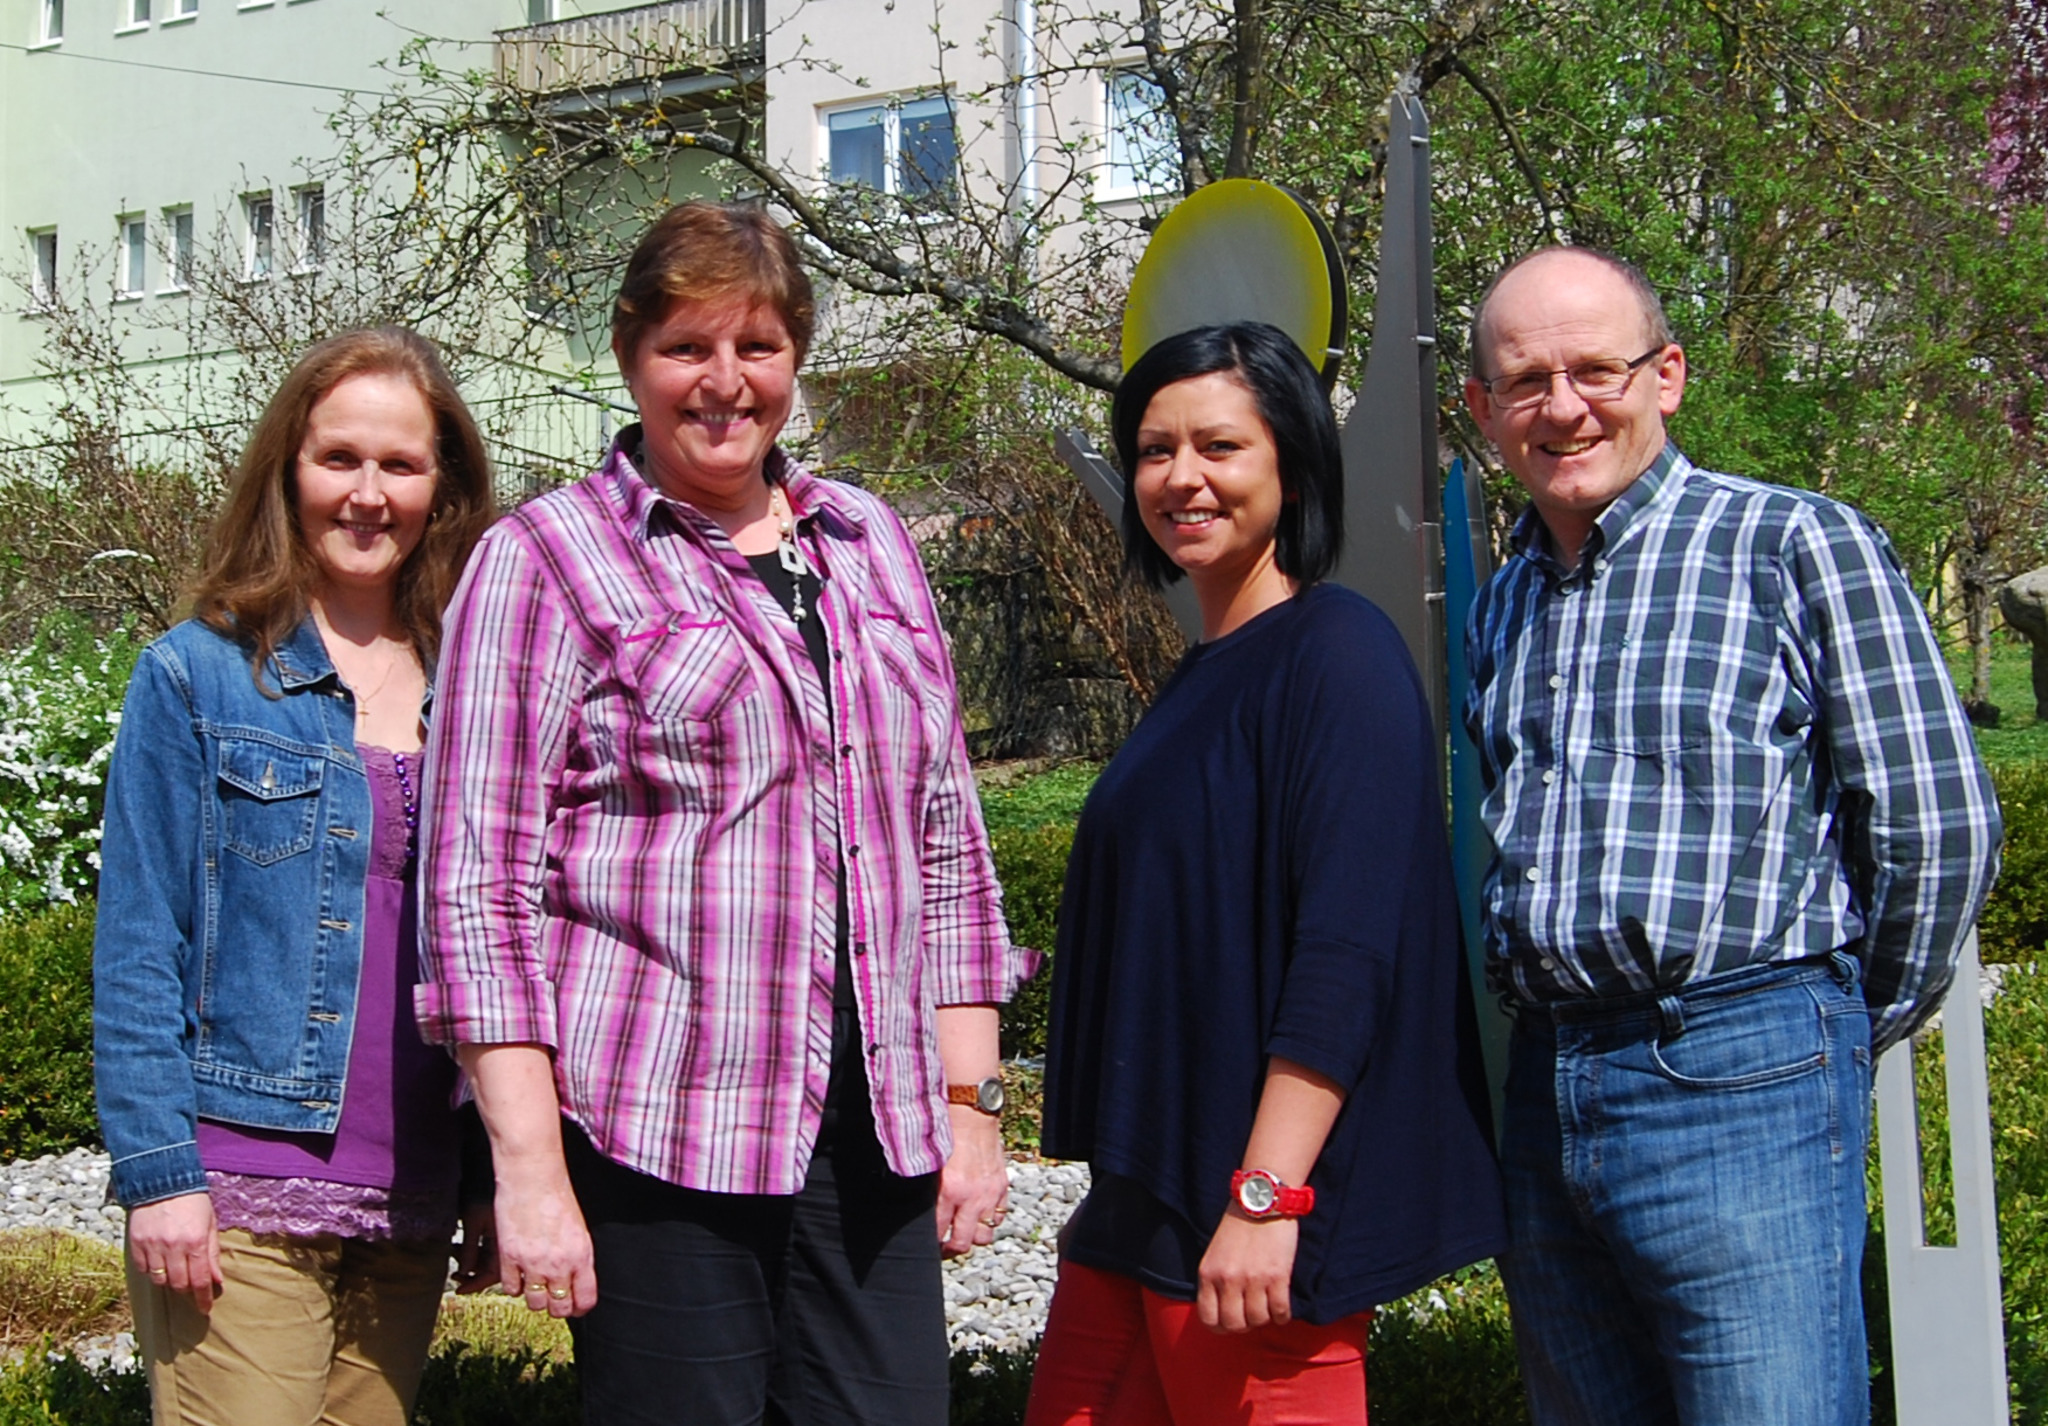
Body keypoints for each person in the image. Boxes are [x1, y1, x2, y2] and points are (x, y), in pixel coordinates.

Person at [415, 199, 1035, 1425]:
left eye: (755, 346)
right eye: (686, 347)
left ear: (795, 355)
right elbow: (479, 888)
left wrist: (971, 1110)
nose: (723, 381)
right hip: (659, 1138)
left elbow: (945, 845)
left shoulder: (869, 545)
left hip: (872, 1142)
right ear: (628, 353)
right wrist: (529, 1172)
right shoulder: (547, 558)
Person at [1460, 245, 2003, 1425]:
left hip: (1737, 1068)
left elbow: (1937, 819)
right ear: (1481, 408)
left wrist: (1832, 1017)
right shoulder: (1504, 595)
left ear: (1666, 374)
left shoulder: (1791, 544)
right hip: (1549, 1085)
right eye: (1525, 380)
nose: (1563, 406)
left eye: (1595, 369)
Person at [1025, 322, 1508, 1426]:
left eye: (1218, 446)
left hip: (1247, 1218)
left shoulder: (1337, 656)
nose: (1179, 477)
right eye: (1153, 449)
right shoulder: (1201, 675)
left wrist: (1265, 1195)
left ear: (1289, 467)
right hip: (1141, 1198)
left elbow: (1348, 952)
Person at [92, 326, 499, 1426]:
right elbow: (138, 943)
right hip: (235, 1197)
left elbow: (501, 945)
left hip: (407, 1196)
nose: (368, 494)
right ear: (289, 470)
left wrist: (491, 1171)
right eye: (339, 459)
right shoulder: (197, 674)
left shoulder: (475, 684)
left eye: (399, 465)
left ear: (442, 485)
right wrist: (160, 1172)